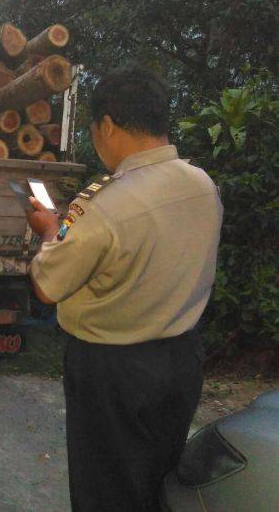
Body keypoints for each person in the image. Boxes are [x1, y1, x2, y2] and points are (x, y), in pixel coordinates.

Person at [27, 66, 223, 511]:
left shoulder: (107, 203)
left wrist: (49, 232)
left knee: (106, 489)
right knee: (159, 479)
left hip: (114, 371)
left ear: (108, 125)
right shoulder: (203, 186)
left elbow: (47, 284)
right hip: (181, 359)